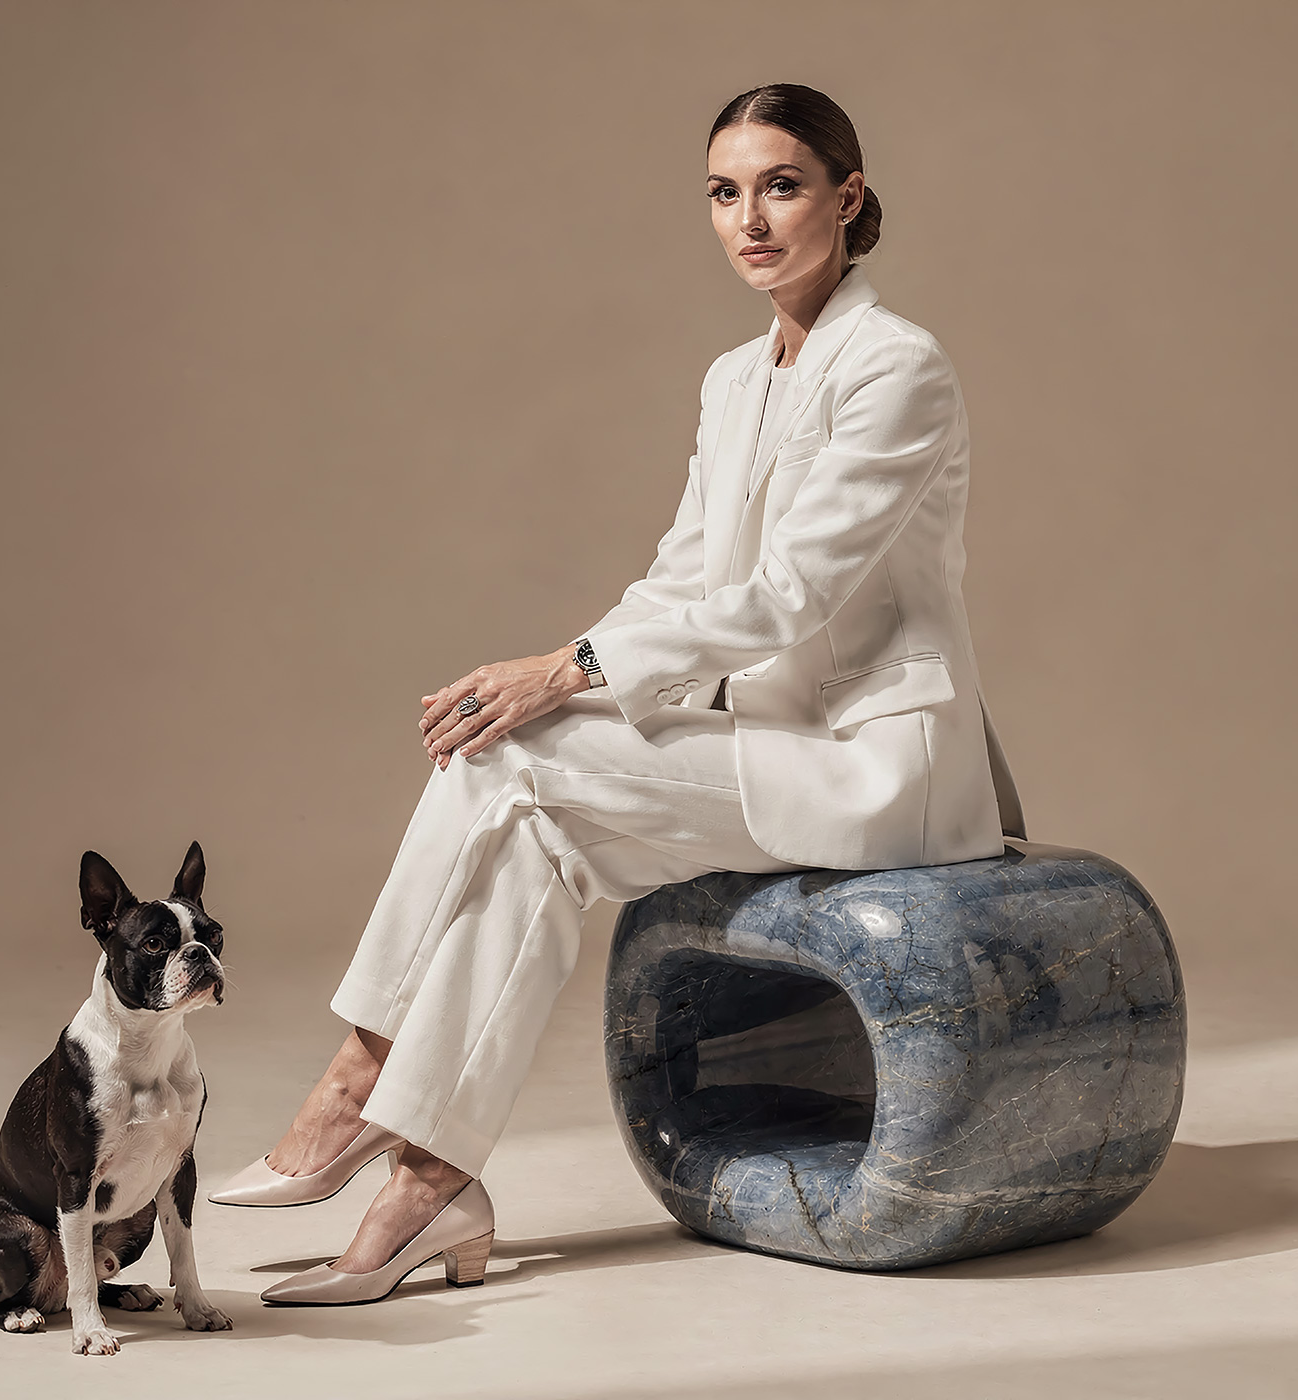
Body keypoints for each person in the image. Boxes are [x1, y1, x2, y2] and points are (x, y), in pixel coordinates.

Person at [212, 82, 1023, 1305]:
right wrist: (549, 673)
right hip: (764, 744)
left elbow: (786, 597)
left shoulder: (898, 366)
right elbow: (682, 581)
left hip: (876, 769)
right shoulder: (731, 380)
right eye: (723, 192)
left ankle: (356, 1079)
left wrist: (564, 678)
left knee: (513, 760)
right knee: (527, 813)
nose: (749, 218)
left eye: (782, 186)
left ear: (848, 198)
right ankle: (430, 1181)